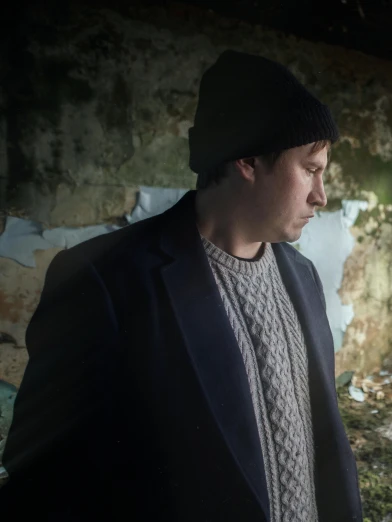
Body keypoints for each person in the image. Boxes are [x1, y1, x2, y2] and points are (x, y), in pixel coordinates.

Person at [0, 50, 363, 522]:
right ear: (249, 160)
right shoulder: (103, 281)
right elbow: (42, 478)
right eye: (311, 169)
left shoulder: (303, 276)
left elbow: (323, 443)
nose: (321, 195)